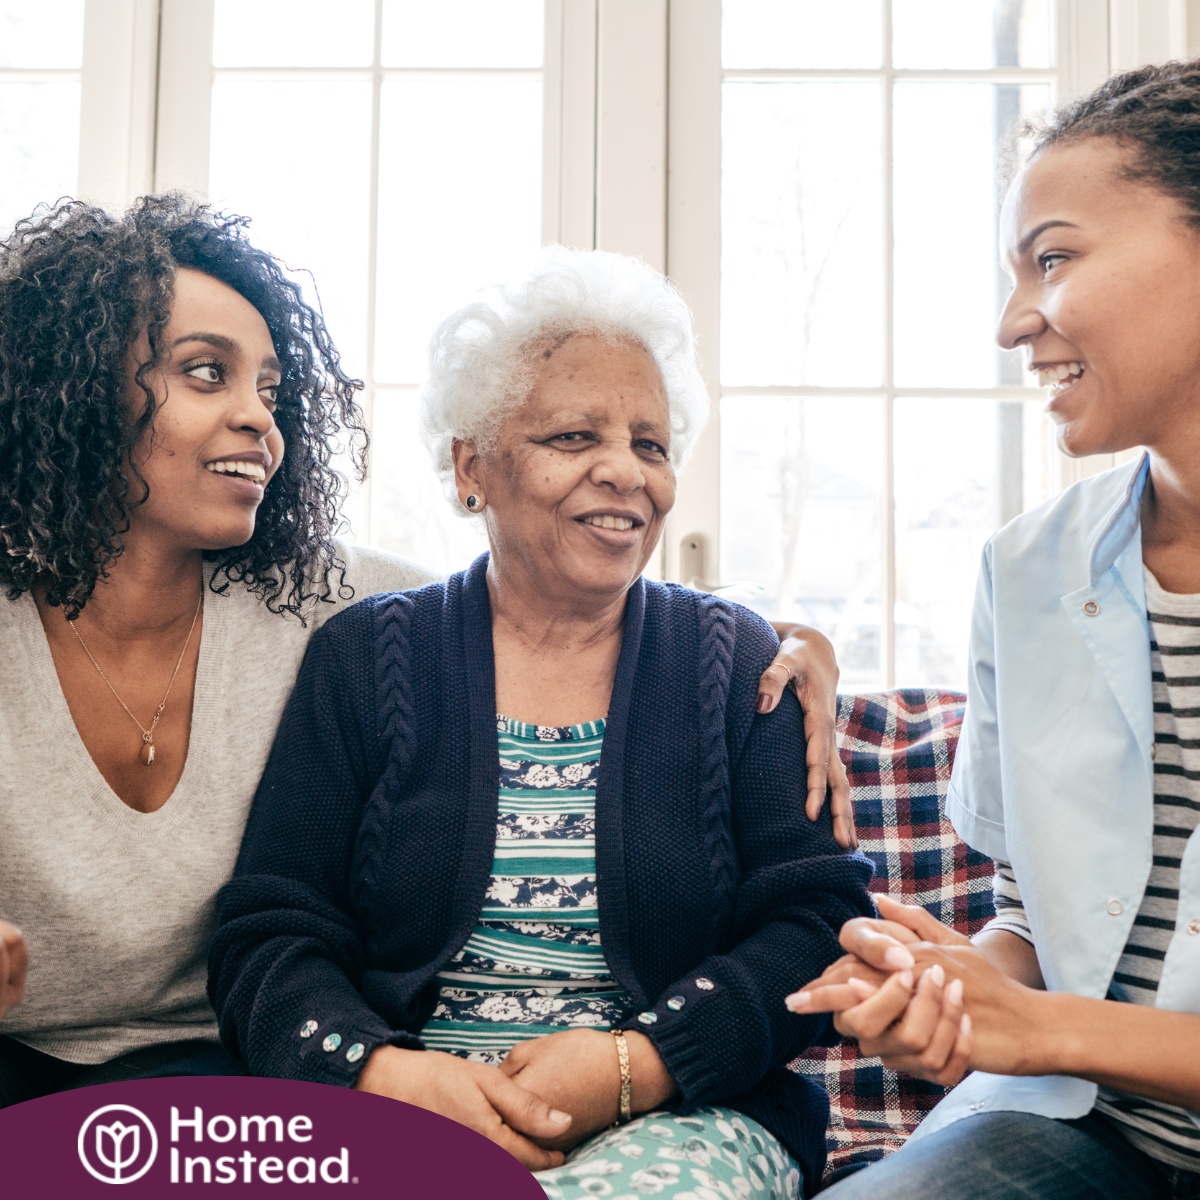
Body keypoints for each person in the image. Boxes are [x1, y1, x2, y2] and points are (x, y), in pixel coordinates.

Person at [0, 196, 850, 1109]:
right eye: (208, 374)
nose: (260, 420)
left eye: (274, 392)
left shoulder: (328, 599)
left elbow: (554, 591)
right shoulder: (359, 643)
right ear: (77, 386)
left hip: (222, 1074)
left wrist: (792, 642)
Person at [208, 248, 875, 1198]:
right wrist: (380, 1074)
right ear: (472, 464)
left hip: (680, 1119)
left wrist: (633, 1065)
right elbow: (272, 931)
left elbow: (817, 919)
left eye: (651, 444)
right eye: (573, 437)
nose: (625, 473)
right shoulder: (367, 656)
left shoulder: (736, 661)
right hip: (409, 1103)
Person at [791, 60, 1200, 1199]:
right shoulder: (1026, 574)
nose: (1016, 319)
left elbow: (1053, 1017)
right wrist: (962, 991)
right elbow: (1040, 918)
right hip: (1083, 1134)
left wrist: (1045, 1028)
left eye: (1055, 258)